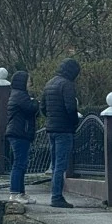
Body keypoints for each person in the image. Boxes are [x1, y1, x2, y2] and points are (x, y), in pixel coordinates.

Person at [39, 58, 80, 208]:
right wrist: (74, 122)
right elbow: (71, 108)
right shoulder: (67, 85)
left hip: (51, 129)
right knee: (60, 166)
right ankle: (56, 197)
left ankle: (55, 195)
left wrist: (51, 119)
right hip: (64, 129)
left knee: (55, 163)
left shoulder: (50, 83)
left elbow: (42, 106)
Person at [6, 70, 39, 204]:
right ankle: (15, 193)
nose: (30, 83)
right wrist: (36, 101)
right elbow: (31, 108)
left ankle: (21, 192)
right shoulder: (20, 96)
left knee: (22, 164)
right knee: (19, 164)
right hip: (19, 133)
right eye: (28, 81)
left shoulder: (18, 95)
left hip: (20, 133)